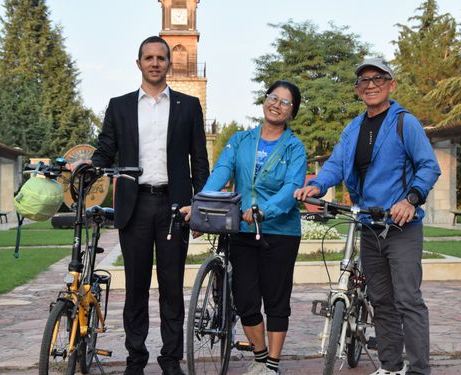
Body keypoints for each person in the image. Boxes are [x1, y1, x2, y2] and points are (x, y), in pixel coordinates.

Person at [294, 57, 440, 375]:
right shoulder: (354, 128)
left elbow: (429, 166)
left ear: (391, 84)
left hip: (401, 227)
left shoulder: (405, 123)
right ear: (358, 89)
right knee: (381, 300)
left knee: (407, 299)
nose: (371, 85)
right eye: (364, 80)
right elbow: (336, 163)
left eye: (378, 78)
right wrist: (317, 185)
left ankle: (418, 370)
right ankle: (390, 366)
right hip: (369, 227)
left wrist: (410, 199)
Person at [90, 35, 209, 375]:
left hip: (175, 207)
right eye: (149, 57)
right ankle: (135, 360)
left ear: (169, 63)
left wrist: (198, 206)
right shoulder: (120, 106)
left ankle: (171, 361)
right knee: (136, 288)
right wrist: (86, 164)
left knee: (171, 288)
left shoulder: (188, 106)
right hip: (135, 205)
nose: (155, 63)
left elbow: (199, 162)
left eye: (161, 57)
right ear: (138, 63)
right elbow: (104, 152)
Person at [185, 80, 306, 374]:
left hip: (279, 232)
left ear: (292, 112)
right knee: (246, 298)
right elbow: (221, 173)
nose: (276, 104)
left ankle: (273, 365)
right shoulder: (241, 140)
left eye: (285, 102)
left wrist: (266, 209)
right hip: (241, 230)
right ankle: (261, 357)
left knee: (276, 300)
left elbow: (292, 187)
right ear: (264, 101)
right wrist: (199, 204)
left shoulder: (294, 148)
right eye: (272, 97)